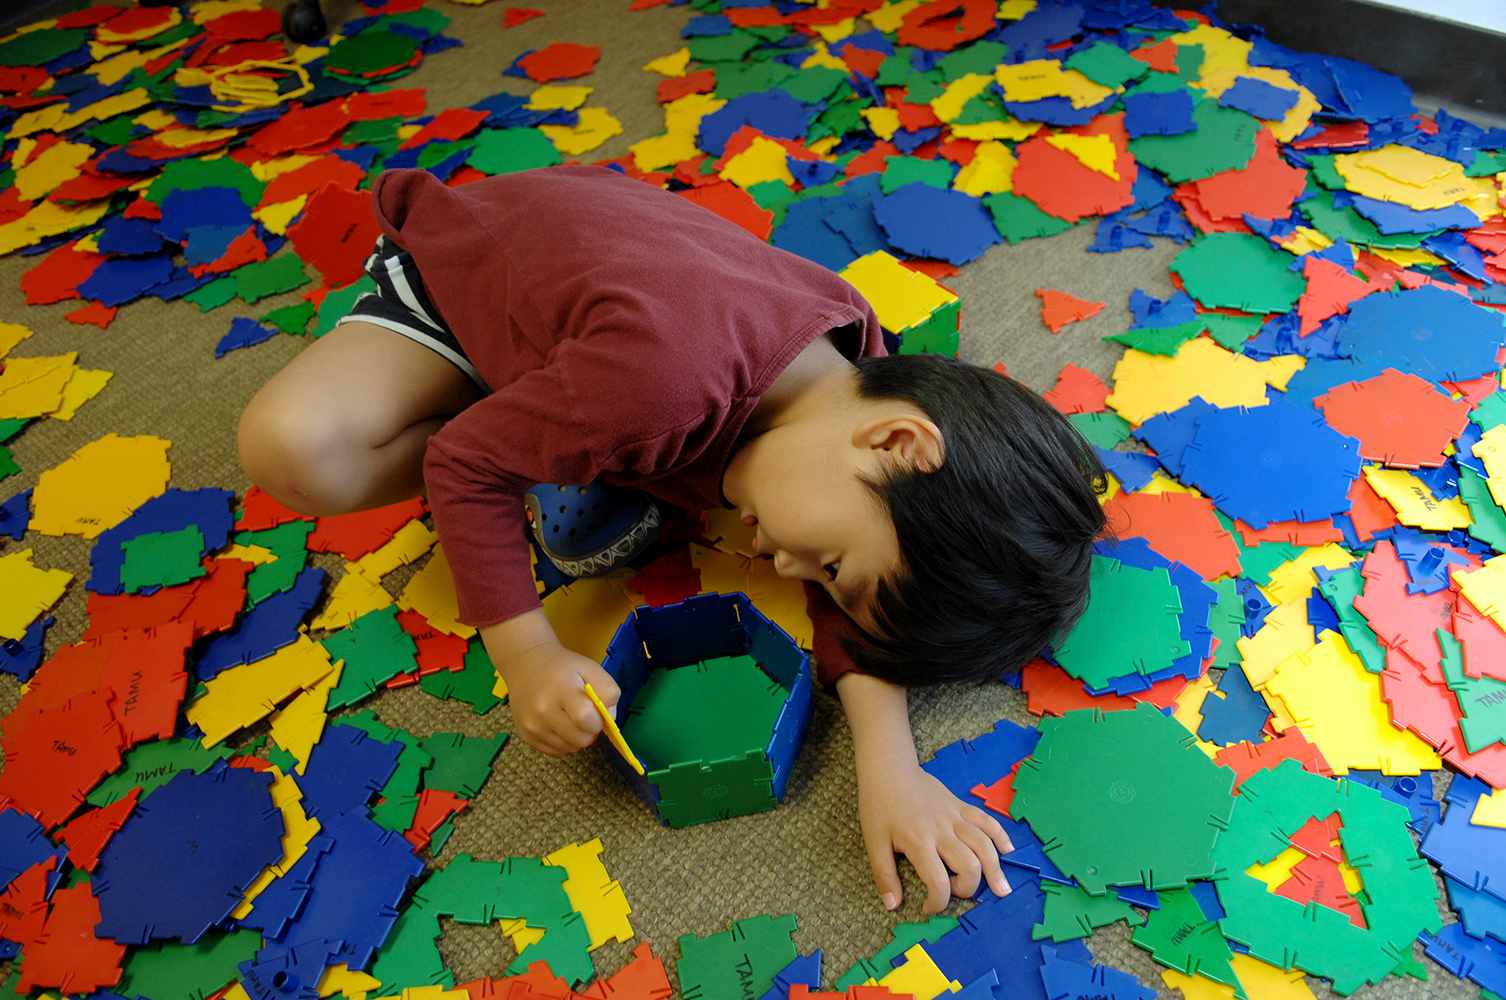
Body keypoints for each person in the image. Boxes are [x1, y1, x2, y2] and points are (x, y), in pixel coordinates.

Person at [238, 164, 1107, 915]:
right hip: (463, 281)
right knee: (293, 450)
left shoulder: (853, 384)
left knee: (632, 429)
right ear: (896, 444)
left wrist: (892, 768)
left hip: (609, 328)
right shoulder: (663, 387)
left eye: (826, 581)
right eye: (832, 566)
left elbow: (876, 584)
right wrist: (529, 656)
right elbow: (466, 465)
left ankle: (572, 436)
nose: (789, 569)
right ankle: (562, 435)